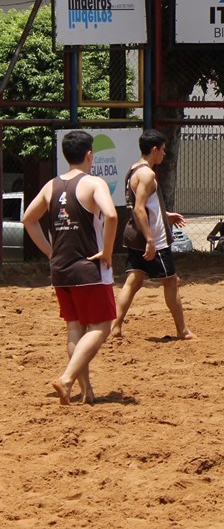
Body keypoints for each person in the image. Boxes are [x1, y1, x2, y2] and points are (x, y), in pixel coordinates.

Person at [21, 130, 118, 405]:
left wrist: (50, 252)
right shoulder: (94, 183)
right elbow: (111, 215)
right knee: (101, 326)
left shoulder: (51, 186)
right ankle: (66, 379)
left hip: (60, 269)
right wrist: (107, 251)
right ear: (89, 155)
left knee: (75, 328)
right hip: (89, 268)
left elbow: (28, 219)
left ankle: (86, 391)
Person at [111, 130, 195, 341]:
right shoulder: (147, 174)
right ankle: (182, 331)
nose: (164, 154)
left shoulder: (133, 170)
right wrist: (150, 240)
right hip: (152, 238)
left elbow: (145, 205)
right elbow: (139, 208)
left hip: (135, 234)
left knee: (134, 280)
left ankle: (115, 327)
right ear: (154, 149)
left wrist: (166, 215)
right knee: (171, 281)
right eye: (163, 150)